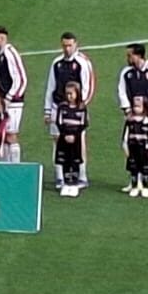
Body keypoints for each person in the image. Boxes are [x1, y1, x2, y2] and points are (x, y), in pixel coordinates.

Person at [45, 32, 96, 187]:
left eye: (70, 45)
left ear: (76, 44)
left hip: (76, 111)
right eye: (64, 45)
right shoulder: (57, 63)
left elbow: (88, 86)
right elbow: (50, 87)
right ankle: (60, 176)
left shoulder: (82, 63)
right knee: (57, 141)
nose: (67, 49)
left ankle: (81, 176)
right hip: (58, 107)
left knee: (79, 142)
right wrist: (47, 110)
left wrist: (80, 106)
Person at [116, 43, 148, 195]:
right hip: (132, 118)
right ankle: (135, 182)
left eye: (130, 55)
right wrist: (127, 109)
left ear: (138, 55)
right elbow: (121, 91)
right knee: (132, 148)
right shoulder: (126, 73)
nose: (128, 58)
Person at [0, 26, 27, 162]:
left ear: (2, 37)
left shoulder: (10, 53)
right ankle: (5, 165)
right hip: (1, 101)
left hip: (13, 103)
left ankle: (15, 166)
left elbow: (21, 79)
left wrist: (10, 97)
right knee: (3, 135)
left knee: (11, 135)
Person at [55, 81, 89, 197]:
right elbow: (59, 122)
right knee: (65, 161)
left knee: (74, 161)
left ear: (77, 94)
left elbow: (83, 124)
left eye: (71, 94)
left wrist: (75, 135)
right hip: (64, 139)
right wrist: (65, 135)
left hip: (76, 140)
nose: (69, 96)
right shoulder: (62, 107)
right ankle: (66, 183)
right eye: (67, 94)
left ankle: (74, 184)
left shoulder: (82, 108)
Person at [122, 97, 148, 198]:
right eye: (134, 106)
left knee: (145, 168)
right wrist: (125, 146)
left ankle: (145, 187)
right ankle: (134, 186)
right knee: (134, 168)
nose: (136, 108)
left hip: (144, 149)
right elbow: (125, 135)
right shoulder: (130, 121)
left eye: (138, 106)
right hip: (133, 148)